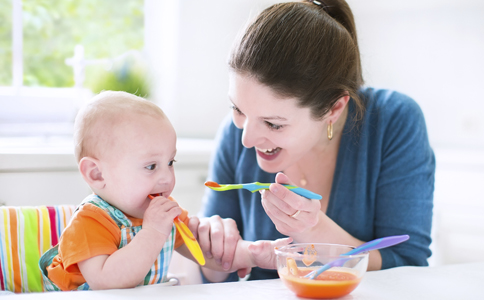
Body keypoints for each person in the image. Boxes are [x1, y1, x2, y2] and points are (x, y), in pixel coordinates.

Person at [198, 0, 435, 282]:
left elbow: (408, 264)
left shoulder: (393, 122)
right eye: (237, 109)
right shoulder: (234, 133)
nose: (246, 139)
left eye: (273, 124)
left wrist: (312, 232)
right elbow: (213, 277)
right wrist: (213, 250)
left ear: (333, 109)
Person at [38, 91, 290, 291]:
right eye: (151, 166)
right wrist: (153, 232)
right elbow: (106, 282)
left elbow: (208, 253)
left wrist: (256, 254)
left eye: (170, 162)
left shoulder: (163, 213)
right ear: (97, 174)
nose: (167, 178)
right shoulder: (88, 223)